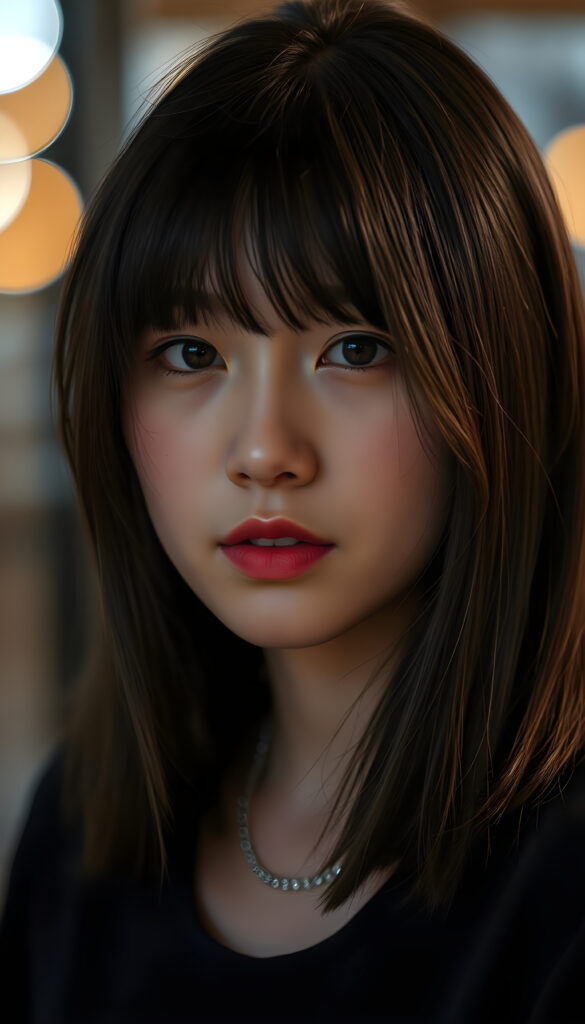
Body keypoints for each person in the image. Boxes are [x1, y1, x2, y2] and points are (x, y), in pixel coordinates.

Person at [2, 0, 585, 1019]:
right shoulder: (82, 831)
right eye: (192, 354)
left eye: (355, 348)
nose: (267, 450)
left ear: (504, 372)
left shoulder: (563, 888)